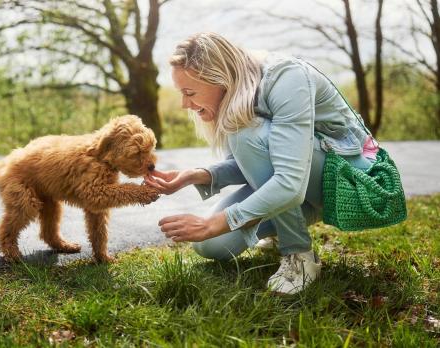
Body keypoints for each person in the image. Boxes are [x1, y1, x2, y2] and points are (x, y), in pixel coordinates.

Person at [144, 32, 378, 295]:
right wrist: (195, 175)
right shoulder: (236, 95)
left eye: (189, 92)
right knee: (211, 246)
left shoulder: (287, 78)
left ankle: (299, 257)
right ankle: (281, 224)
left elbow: (290, 182)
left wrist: (213, 223)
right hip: (302, 182)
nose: (184, 104)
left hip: (355, 180)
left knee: (242, 134)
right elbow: (248, 163)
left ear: (218, 78)